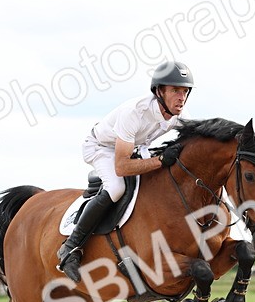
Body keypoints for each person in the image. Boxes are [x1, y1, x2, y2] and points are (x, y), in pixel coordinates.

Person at [56, 59, 194, 282]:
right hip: (102, 148)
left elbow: (199, 136)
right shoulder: (135, 112)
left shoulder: (179, 113)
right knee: (117, 187)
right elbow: (121, 167)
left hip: (135, 149)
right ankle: (70, 247)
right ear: (159, 91)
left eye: (185, 91)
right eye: (175, 90)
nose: (182, 97)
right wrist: (160, 160)